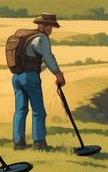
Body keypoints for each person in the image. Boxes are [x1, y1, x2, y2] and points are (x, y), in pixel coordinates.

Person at [10, 13, 66, 150]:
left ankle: (18, 143)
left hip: (16, 77)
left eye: (52, 27)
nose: (50, 29)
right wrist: (58, 74)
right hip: (30, 77)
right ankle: (39, 143)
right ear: (42, 25)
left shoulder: (26, 36)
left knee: (20, 110)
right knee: (38, 111)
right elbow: (47, 57)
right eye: (49, 26)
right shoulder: (41, 39)